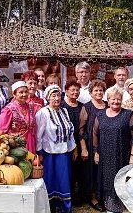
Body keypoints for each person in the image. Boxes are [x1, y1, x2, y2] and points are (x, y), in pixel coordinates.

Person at [36, 85, 77, 213]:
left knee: (63, 180)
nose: (56, 98)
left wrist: (74, 148)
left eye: (58, 95)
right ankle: (50, 207)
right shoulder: (43, 112)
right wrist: (39, 152)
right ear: (48, 98)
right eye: (53, 95)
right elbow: (38, 135)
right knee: (50, 180)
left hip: (64, 152)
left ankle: (64, 207)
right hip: (49, 153)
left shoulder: (64, 111)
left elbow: (70, 132)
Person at [93, 88, 133, 212]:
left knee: (120, 179)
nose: (116, 101)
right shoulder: (100, 115)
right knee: (106, 179)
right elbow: (95, 134)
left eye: (118, 99)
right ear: (108, 100)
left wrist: (132, 155)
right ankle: (109, 205)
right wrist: (96, 152)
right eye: (113, 99)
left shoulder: (128, 114)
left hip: (121, 153)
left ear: (122, 100)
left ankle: (119, 205)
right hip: (105, 154)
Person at [79, 79, 107, 211]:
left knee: (103, 171)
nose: (98, 92)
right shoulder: (87, 107)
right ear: (90, 93)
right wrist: (84, 148)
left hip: (106, 143)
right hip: (90, 144)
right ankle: (93, 197)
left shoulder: (108, 105)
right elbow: (81, 130)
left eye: (101, 90)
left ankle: (104, 195)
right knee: (91, 172)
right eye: (96, 90)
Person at [0, 81, 37, 153]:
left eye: (26, 92)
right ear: (14, 94)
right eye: (21, 92)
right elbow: (1, 131)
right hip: (16, 147)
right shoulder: (8, 110)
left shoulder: (30, 107)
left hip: (31, 144)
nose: (24, 94)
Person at [61, 80, 84, 206]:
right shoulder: (62, 106)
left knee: (79, 170)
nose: (75, 92)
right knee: (68, 170)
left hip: (80, 141)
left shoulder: (82, 106)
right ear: (67, 91)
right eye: (72, 90)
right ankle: (68, 196)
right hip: (67, 143)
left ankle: (79, 197)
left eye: (77, 90)